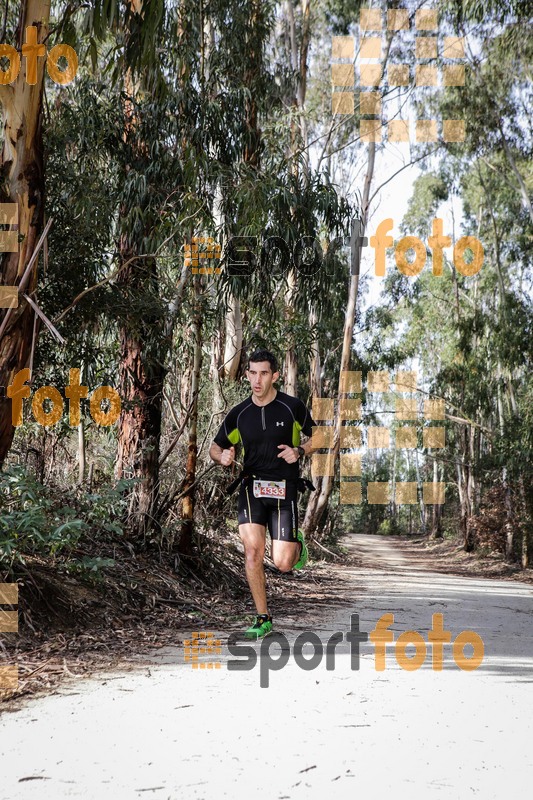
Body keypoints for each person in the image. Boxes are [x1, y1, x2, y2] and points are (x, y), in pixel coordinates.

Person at [209, 349, 316, 640]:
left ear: (275, 376)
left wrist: (300, 450)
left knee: (282, 563)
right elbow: (214, 448)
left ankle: (296, 544)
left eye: (264, 373)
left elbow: (321, 436)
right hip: (250, 488)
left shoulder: (291, 407)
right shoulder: (239, 414)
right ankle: (263, 617)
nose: (257, 380)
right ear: (247, 375)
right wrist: (224, 458)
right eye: (253, 373)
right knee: (253, 553)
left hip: (284, 488)